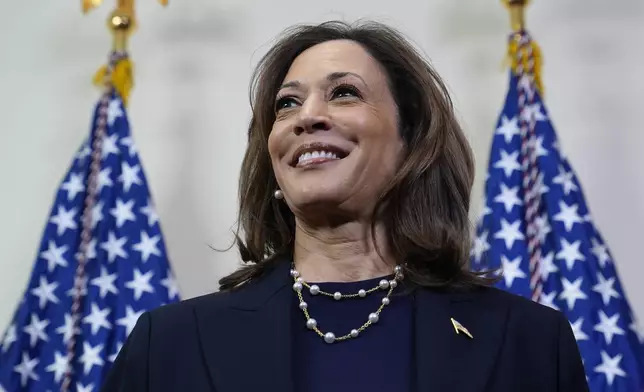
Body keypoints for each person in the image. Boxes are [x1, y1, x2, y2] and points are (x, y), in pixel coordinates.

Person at [101, 20, 589, 392]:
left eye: (344, 93)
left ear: (411, 141)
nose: (307, 116)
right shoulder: (168, 345)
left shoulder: (529, 341)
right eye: (286, 104)